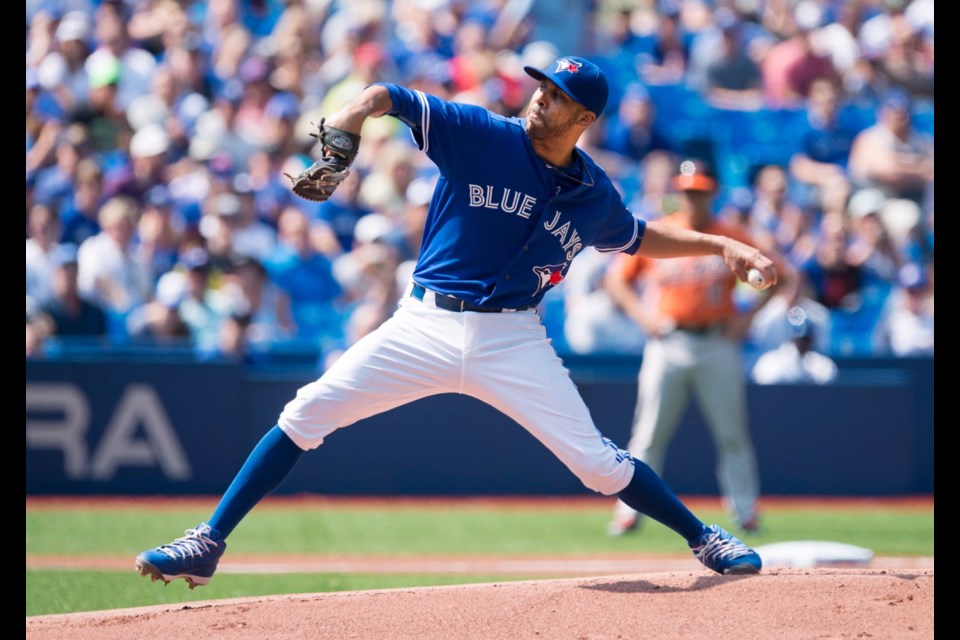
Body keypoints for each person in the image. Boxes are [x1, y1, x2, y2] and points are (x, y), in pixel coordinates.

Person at [135, 56, 777, 588]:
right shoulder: (481, 134)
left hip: (513, 338)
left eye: (557, 97)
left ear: (584, 118)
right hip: (423, 325)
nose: (540, 100)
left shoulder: (594, 196)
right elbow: (388, 95)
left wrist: (723, 247)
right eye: (541, 87)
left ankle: (705, 538)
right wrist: (350, 124)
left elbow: (637, 236)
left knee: (599, 467)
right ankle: (208, 540)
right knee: (306, 412)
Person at [604, 161, 783, 537]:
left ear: (713, 193)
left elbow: (779, 275)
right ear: (678, 192)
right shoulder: (660, 232)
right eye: (687, 191)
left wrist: (748, 318)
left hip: (717, 341)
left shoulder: (730, 235)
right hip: (667, 341)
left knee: (732, 433)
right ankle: (628, 512)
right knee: (648, 433)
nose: (693, 198)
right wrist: (642, 316)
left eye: (699, 191)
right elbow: (617, 281)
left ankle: (745, 511)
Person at [751, 306, 838, 385]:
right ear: (789, 337)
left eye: (805, 339)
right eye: (798, 339)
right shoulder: (769, 362)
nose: (801, 343)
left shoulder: (823, 365)